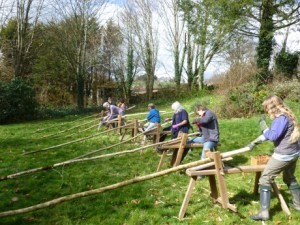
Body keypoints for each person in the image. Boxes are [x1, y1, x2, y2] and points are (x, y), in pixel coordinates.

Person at [248, 95, 300, 221]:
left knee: (265, 179)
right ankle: (298, 205)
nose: (266, 110)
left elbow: (272, 135)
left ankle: (264, 213)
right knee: (289, 177)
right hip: (293, 153)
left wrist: (263, 126)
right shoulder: (287, 115)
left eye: (266, 107)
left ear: (272, 107)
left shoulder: (281, 118)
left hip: (284, 155)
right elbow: (272, 133)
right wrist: (255, 142)